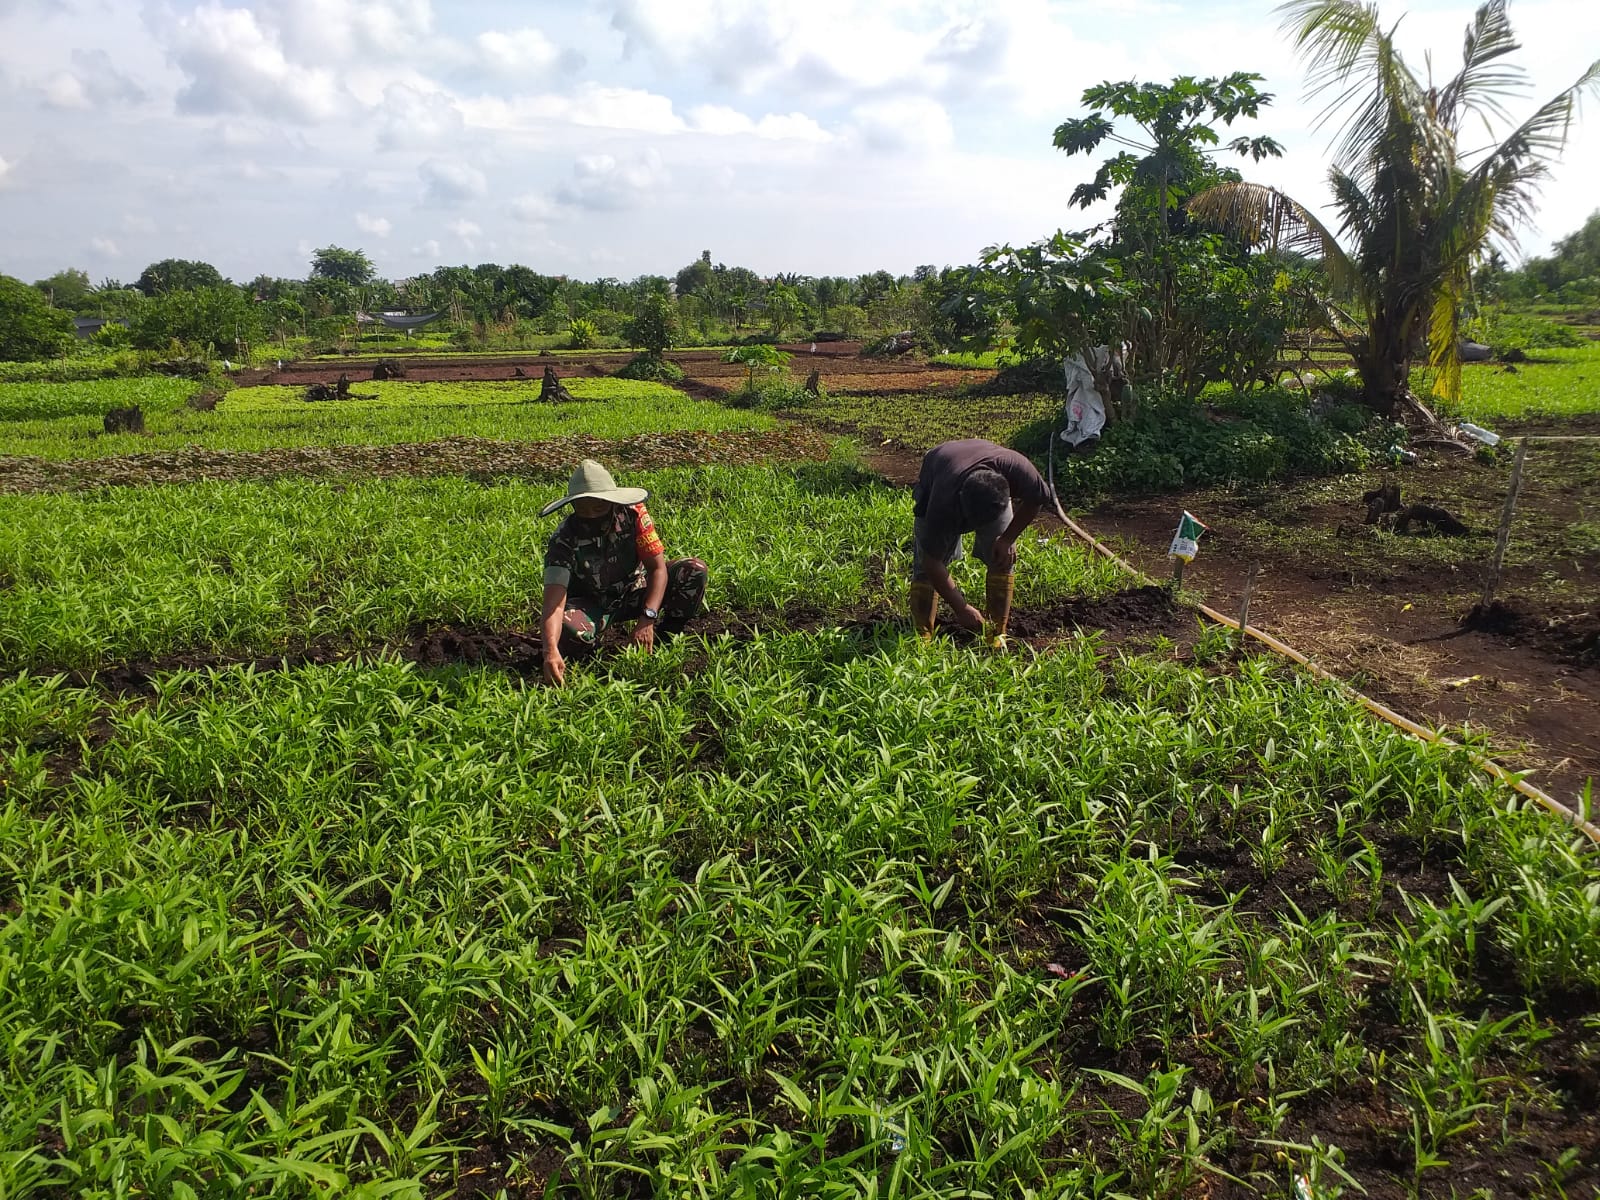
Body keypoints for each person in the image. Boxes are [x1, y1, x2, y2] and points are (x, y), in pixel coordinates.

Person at [538, 459, 708, 687]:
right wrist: (550, 650)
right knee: (568, 632)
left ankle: (667, 636)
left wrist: (648, 618)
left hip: (634, 590)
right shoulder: (564, 539)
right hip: (593, 604)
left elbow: (657, 569)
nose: (590, 514)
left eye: (598, 507)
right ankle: (594, 656)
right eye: (582, 507)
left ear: (610, 501)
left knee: (692, 571)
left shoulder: (634, 515)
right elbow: (554, 604)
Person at [908, 438, 1046, 643]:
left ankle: (996, 632)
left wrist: (1007, 539)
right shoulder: (942, 502)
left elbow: (1037, 500)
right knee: (924, 568)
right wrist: (961, 607)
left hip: (981, 475)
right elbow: (931, 563)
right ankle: (922, 635)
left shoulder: (1019, 471)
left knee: (1003, 559)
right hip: (940, 472)